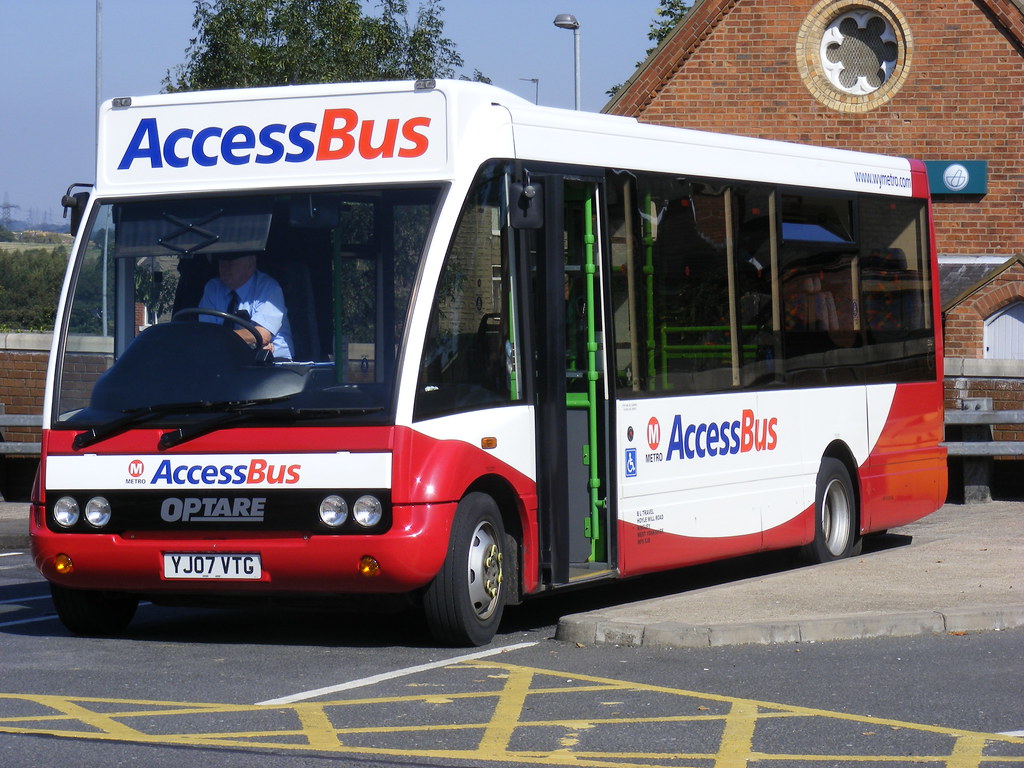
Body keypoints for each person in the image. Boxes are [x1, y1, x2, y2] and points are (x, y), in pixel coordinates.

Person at [198, 252, 294, 360]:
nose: (224, 266)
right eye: (221, 260)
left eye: (231, 261)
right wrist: (249, 341)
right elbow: (206, 335)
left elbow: (262, 335)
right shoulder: (213, 288)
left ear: (250, 263)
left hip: (274, 365)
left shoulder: (269, 287)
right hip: (227, 360)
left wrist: (220, 339)